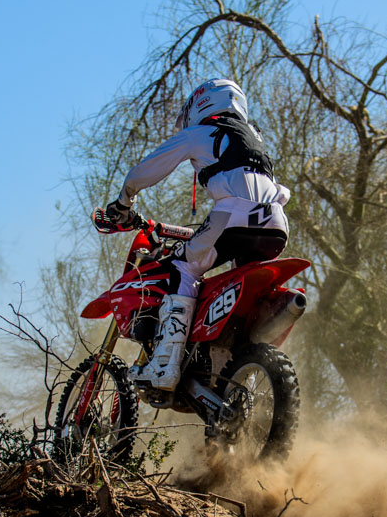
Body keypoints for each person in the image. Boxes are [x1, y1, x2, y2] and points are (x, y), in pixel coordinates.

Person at [96, 78, 290, 391]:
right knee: (241, 295)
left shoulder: (204, 132)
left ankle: (166, 365)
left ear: (201, 102)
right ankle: (238, 380)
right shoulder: (254, 137)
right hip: (276, 223)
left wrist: (124, 200)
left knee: (182, 267)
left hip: (234, 216)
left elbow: (147, 169)